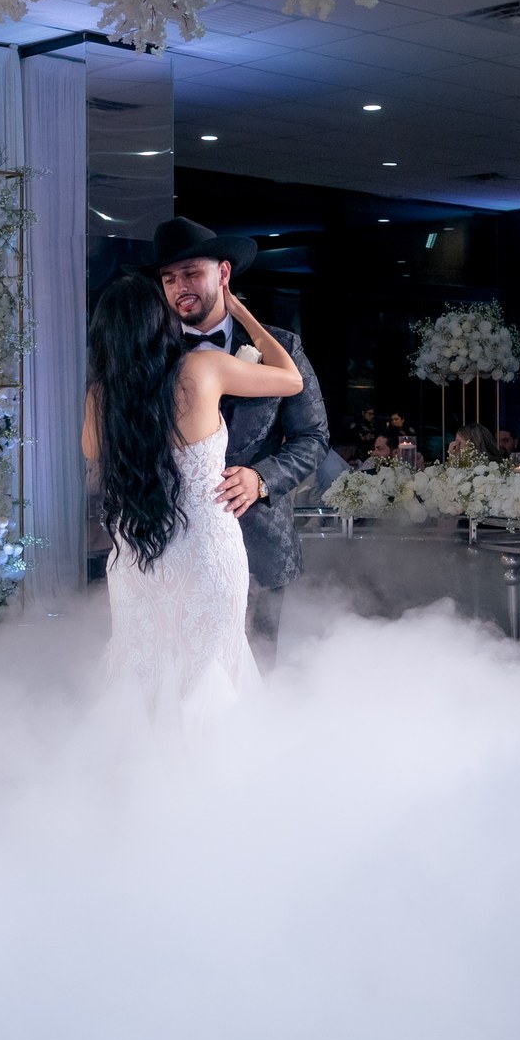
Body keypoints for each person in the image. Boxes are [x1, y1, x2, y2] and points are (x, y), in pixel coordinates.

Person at [83, 272, 301, 723]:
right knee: (213, 672)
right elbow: (290, 379)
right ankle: (213, 786)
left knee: (139, 674)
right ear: (160, 322)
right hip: (205, 554)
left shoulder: (101, 398)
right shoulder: (202, 369)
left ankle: (138, 783)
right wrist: (242, 313)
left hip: (137, 558)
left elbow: (93, 456)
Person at [147, 217, 330, 663]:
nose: (179, 287)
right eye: (169, 278)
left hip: (259, 541)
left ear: (224, 273)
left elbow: (313, 437)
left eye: (191, 273)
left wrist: (261, 479)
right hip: (172, 540)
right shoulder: (150, 354)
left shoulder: (282, 347)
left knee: (255, 669)